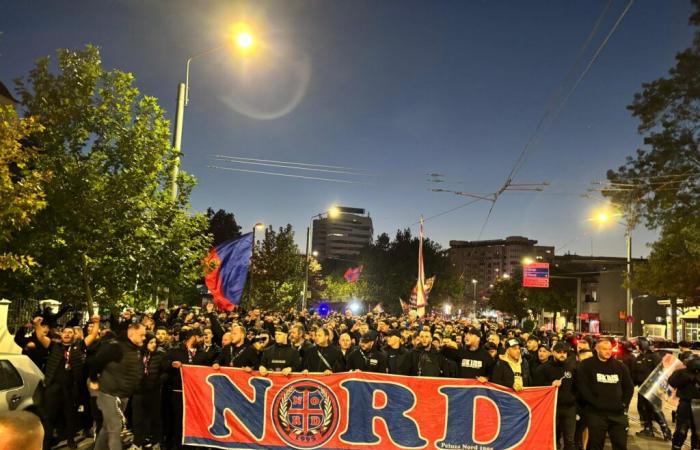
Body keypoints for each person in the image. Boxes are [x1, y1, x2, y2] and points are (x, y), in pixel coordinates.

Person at [35, 315, 100, 449]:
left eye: (70, 332)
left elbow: (93, 335)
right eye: (65, 332)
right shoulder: (54, 346)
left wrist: (96, 322)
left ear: (74, 335)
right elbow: (41, 337)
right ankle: (46, 443)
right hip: (53, 388)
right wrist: (37, 325)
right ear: (61, 334)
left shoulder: (79, 346)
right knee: (49, 416)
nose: (67, 334)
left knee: (70, 415)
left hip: (71, 388)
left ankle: (71, 440)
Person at [89, 322, 147, 450]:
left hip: (123, 395)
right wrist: (94, 380)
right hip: (109, 394)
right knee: (115, 427)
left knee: (107, 427)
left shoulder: (136, 348)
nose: (144, 338)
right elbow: (96, 361)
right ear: (131, 332)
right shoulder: (116, 347)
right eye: (141, 335)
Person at [575, 338, 633, 450]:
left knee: (620, 444)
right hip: (596, 414)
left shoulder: (620, 366)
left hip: (618, 414)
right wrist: (594, 403)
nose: (608, 352)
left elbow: (629, 388)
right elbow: (583, 388)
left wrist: (623, 404)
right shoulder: (586, 365)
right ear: (596, 349)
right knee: (595, 445)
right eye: (604, 349)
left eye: (609, 349)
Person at [534, 342, 576, 450]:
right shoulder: (543, 369)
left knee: (570, 440)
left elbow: (577, 387)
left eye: (564, 352)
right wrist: (550, 385)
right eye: (559, 352)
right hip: (551, 408)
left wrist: (575, 403)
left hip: (569, 408)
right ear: (553, 353)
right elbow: (536, 388)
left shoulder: (572, 368)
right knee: (552, 438)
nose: (562, 355)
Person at [132, 332, 168, 450]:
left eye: (155, 343)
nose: (153, 345)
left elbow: (166, 372)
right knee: (138, 418)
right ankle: (137, 442)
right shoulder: (137, 354)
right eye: (151, 342)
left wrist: (158, 381)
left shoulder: (160, 355)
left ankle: (156, 441)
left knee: (155, 418)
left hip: (153, 392)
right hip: (138, 392)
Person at [632, 337, 672, 439]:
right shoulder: (639, 357)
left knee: (655, 409)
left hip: (652, 388)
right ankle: (648, 428)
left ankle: (665, 430)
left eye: (638, 345)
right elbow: (635, 373)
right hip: (642, 388)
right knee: (643, 409)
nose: (636, 347)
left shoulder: (654, 357)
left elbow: (661, 372)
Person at [668, 355, 700, 450]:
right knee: (681, 431)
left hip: (696, 405)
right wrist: (687, 376)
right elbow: (672, 382)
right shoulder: (681, 373)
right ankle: (676, 446)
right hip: (685, 405)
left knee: (697, 433)